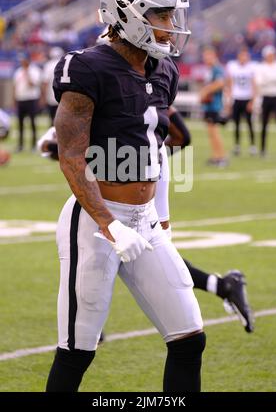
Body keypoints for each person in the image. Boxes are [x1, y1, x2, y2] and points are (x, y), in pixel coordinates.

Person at [45, 0, 206, 393]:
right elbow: (72, 158)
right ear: (127, 12)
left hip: (144, 221)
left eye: (172, 15)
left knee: (190, 339)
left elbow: (156, 148)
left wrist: (161, 219)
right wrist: (109, 224)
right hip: (95, 223)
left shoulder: (163, 70)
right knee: (77, 351)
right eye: (162, 14)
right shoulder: (88, 68)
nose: (171, 26)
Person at [38, 108, 254, 334]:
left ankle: (85, 324)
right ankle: (222, 286)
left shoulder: (117, 85)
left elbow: (52, 145)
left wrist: (130, 161)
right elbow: (181, 136)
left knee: (126, 251)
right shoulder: (141, 83)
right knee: (148, 253)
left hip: (133, 184)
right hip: (149, 174)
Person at [226, 47, 257, 156]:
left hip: (247, 98)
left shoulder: (251, 67)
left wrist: (252, 101)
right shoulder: (233, 66)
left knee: (249, 123)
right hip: (237, 98)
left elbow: (254, 85)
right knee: (237, 123)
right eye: (242, 56)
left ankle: (253, 145)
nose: (243, 58)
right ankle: (237, 145)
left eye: (245, 56)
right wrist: (229, 100)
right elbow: (230, 84)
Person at [200, 46, 228, 167]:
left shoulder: (217, 69)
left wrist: (206, 90)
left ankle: (222, 157)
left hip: (214, 106)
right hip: (208, 105)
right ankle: (216, 156)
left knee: (214, 132)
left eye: (208, 56)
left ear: (213, 55)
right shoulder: (210, 69)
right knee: (211, 132)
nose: (205, 58)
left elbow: (221, 83)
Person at [13, 53, 42, 152]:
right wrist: (14, 100)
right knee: (20, 124)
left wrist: (27, 72)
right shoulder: (18, 71)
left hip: (31, 99)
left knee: (33, 123)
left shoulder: (34, 71)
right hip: (20, 99)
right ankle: (20, 145)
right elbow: (15, 87)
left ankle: (34, 145)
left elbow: (32, 84)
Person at [256, 45, 276, 157]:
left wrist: (268, 80)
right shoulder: (261, 67)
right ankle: (263, 149)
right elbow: (260, 82)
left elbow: (265, 80)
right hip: (266, 97)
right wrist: (272, 80)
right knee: (264, 124)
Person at [41, 47, 64, 126]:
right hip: (63, 97)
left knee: (52, 120)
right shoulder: (64, 63)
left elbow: (45, 83)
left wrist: (43, 97)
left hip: (51, 96)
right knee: (62, 120)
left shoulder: (48, 65)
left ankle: (53, 136)